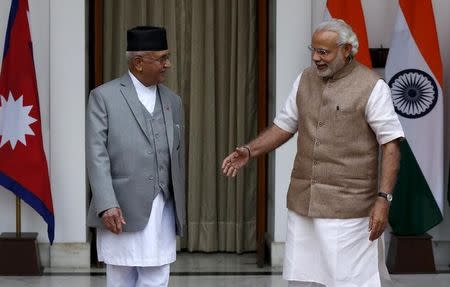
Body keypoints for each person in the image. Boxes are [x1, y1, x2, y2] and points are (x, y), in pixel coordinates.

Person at [222, 19, 403, 287]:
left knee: (351, 281)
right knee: (304, 280)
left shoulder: (372, 86)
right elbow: (283, 126)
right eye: (314, 50)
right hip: (303, 204)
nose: (316, 58)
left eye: (324, 52)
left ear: (346, 50)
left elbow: (391, 144)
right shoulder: (305, 79)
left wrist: (383, 199)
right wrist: (250, 150)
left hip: (350, 208)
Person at [86, 26, 185, 287]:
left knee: (157, 276)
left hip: (162, 209)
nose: (168, 64)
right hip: (121, 210)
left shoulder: (173, 101)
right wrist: (106, 203)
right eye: (162, 58)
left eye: (167, 56)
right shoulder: (103, 97)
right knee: (121, 277)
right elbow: (96, 155)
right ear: (138, 63)